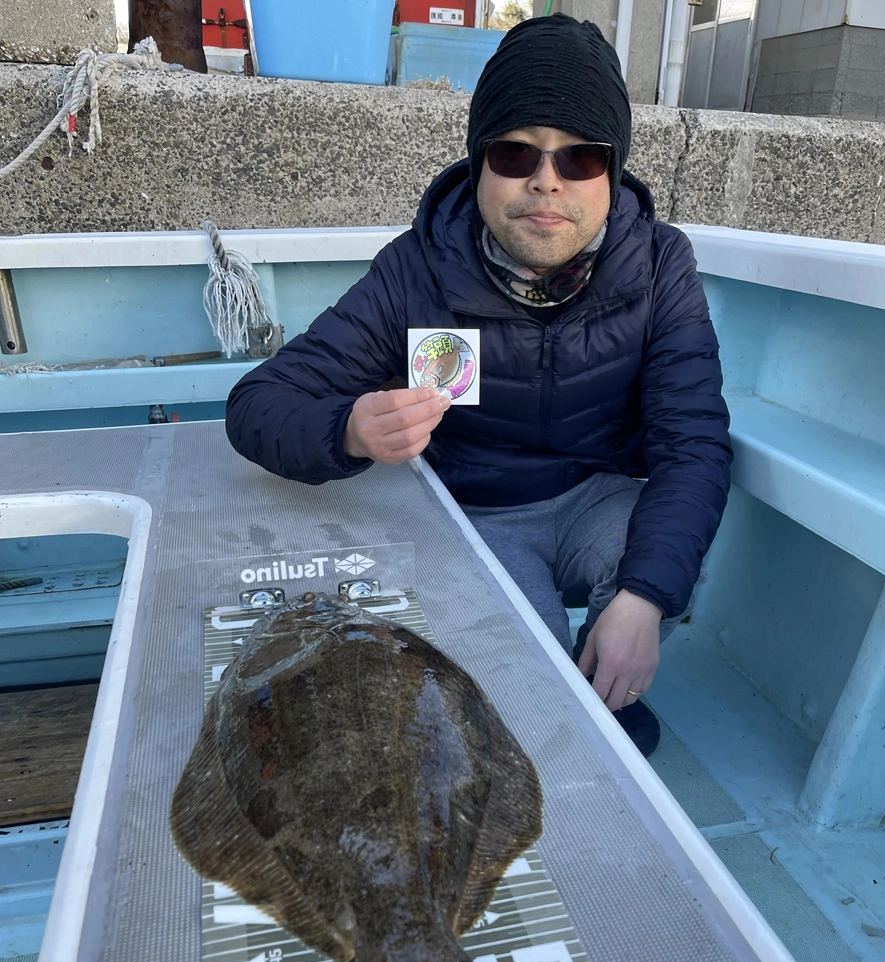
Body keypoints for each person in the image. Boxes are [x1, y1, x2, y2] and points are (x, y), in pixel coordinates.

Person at [225, 13, 732, 757]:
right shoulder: (415, 268)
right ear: (479, 161)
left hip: (601, 498)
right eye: (514, 150)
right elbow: (258, 406)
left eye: (582, 156)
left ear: (613, 169)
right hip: (480, 514)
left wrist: (644, 598)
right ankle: (553, 701)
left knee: (649, 575)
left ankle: (604, 685)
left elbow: (693, 442)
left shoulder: (660, 266)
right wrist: (350, 429)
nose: (546, 180)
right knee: (523, 685)